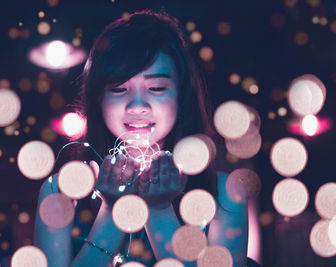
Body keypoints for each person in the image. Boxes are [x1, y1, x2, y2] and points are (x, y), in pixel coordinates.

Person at [35, 10, 249, 267]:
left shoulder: (224, 194)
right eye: (119, 89)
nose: (137, 105)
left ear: (181, 97)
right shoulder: (59, 192)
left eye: (156, 88)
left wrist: (159, 211)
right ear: (98, 98)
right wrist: (113, 212)